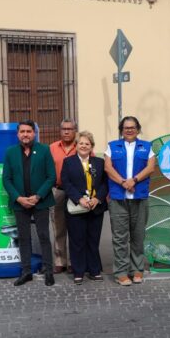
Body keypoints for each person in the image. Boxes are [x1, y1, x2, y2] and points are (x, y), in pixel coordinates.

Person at [3, 120, 57, 286]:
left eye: (28, 131)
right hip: (20, 203)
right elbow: (6, 179)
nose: (25, 134)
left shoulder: (44, 150)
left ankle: (48, 271)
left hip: (40, 201)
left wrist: (38, 196)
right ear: (17, 134)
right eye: (22, 131)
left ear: (34, 133)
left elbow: (51, 177)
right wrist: (18, 198)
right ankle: (26, 272)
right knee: (24, 237)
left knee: (43, 236)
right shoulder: (10, 152)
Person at [104, 116, 156, 286]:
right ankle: (121, 272)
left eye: (132, 127)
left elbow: (150, 167)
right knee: (120, 237)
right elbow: (108, 168)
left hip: (139, 197)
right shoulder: (112, 147)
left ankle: (137, 270)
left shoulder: (147, 147)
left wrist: (133, 180)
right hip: (118, 198)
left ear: (138, 129)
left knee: (138, 236)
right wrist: (123, 183)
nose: (129, 130)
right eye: (126, 127)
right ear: (121, 130)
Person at [62, 131, 108, 284]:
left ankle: (94, 270)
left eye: (87, 143)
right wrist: (79, 198)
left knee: (93, 240)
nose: (84, 146)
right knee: (77, 241)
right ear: (76, 145)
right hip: (77, 207)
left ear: (91, 146)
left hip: (95, 207)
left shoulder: (99, 162)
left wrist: (97, 198)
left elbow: (105, 183)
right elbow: (66, 183)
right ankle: (78, 272)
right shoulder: (68, 162)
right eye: (81, 143)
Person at [49, 119, 78, 273]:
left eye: (70, 129)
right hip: (58, 190)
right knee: (58, 227)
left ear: (75, 131)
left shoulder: (82, 146)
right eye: (64, 129)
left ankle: (75, 261)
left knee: (75, 228)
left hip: (76, 192)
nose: (66, 131)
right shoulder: (52, 148)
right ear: (60, 131)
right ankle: (60, 261)